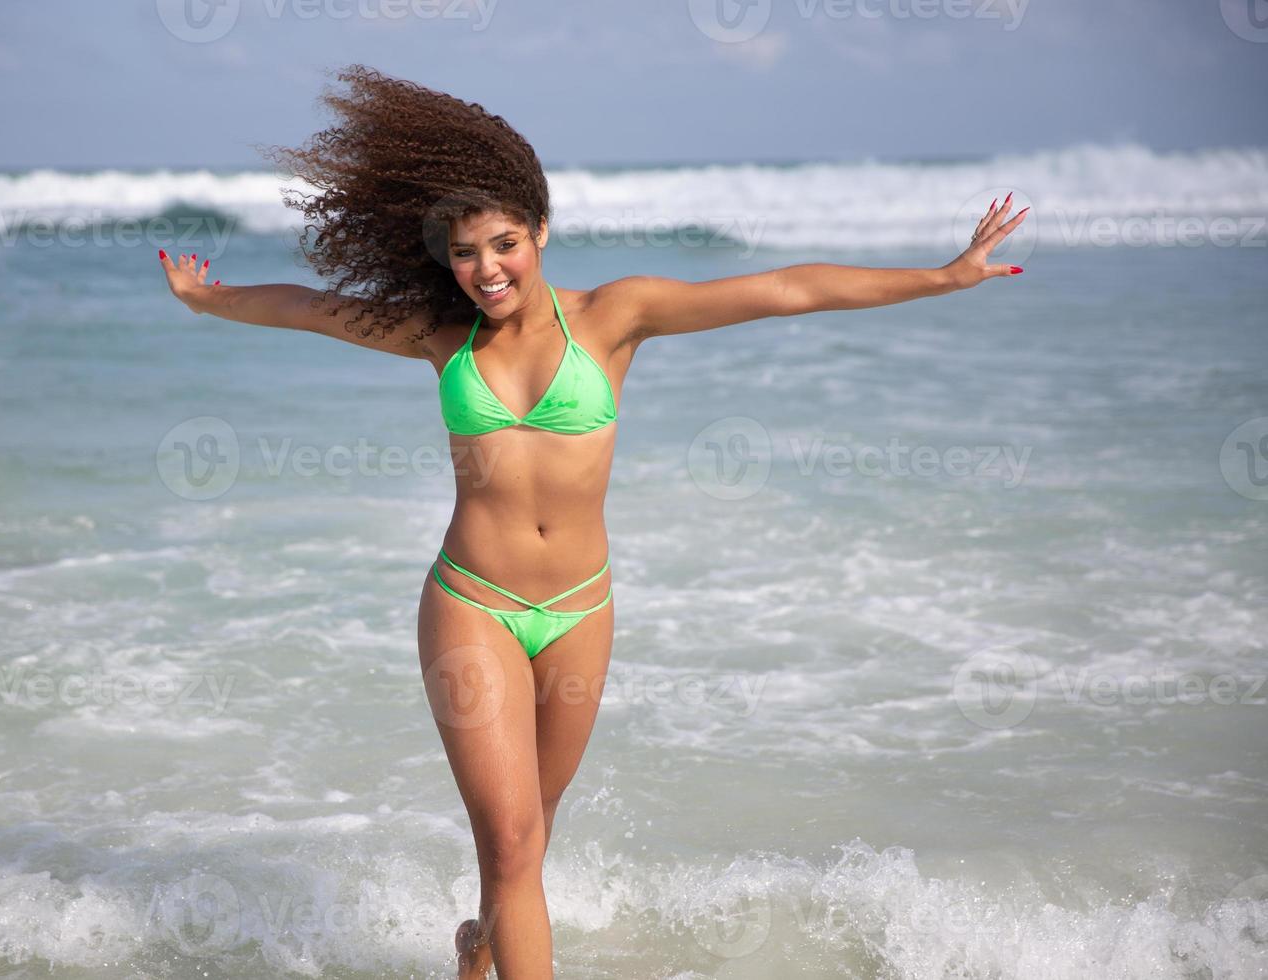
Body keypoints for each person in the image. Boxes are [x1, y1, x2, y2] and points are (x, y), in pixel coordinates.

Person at [159, 64, 1028, 980]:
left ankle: (479, 945)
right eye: (464, 253)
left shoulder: (616, 317)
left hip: (581, 609)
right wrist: (209, 299)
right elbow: (312, 312)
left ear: (538, 230)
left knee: (530, 840)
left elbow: (784, 290)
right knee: (510, 838)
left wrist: (943, 277)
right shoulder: (441, 335)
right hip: (472, 603)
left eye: (503, 243)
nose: (486, 269)